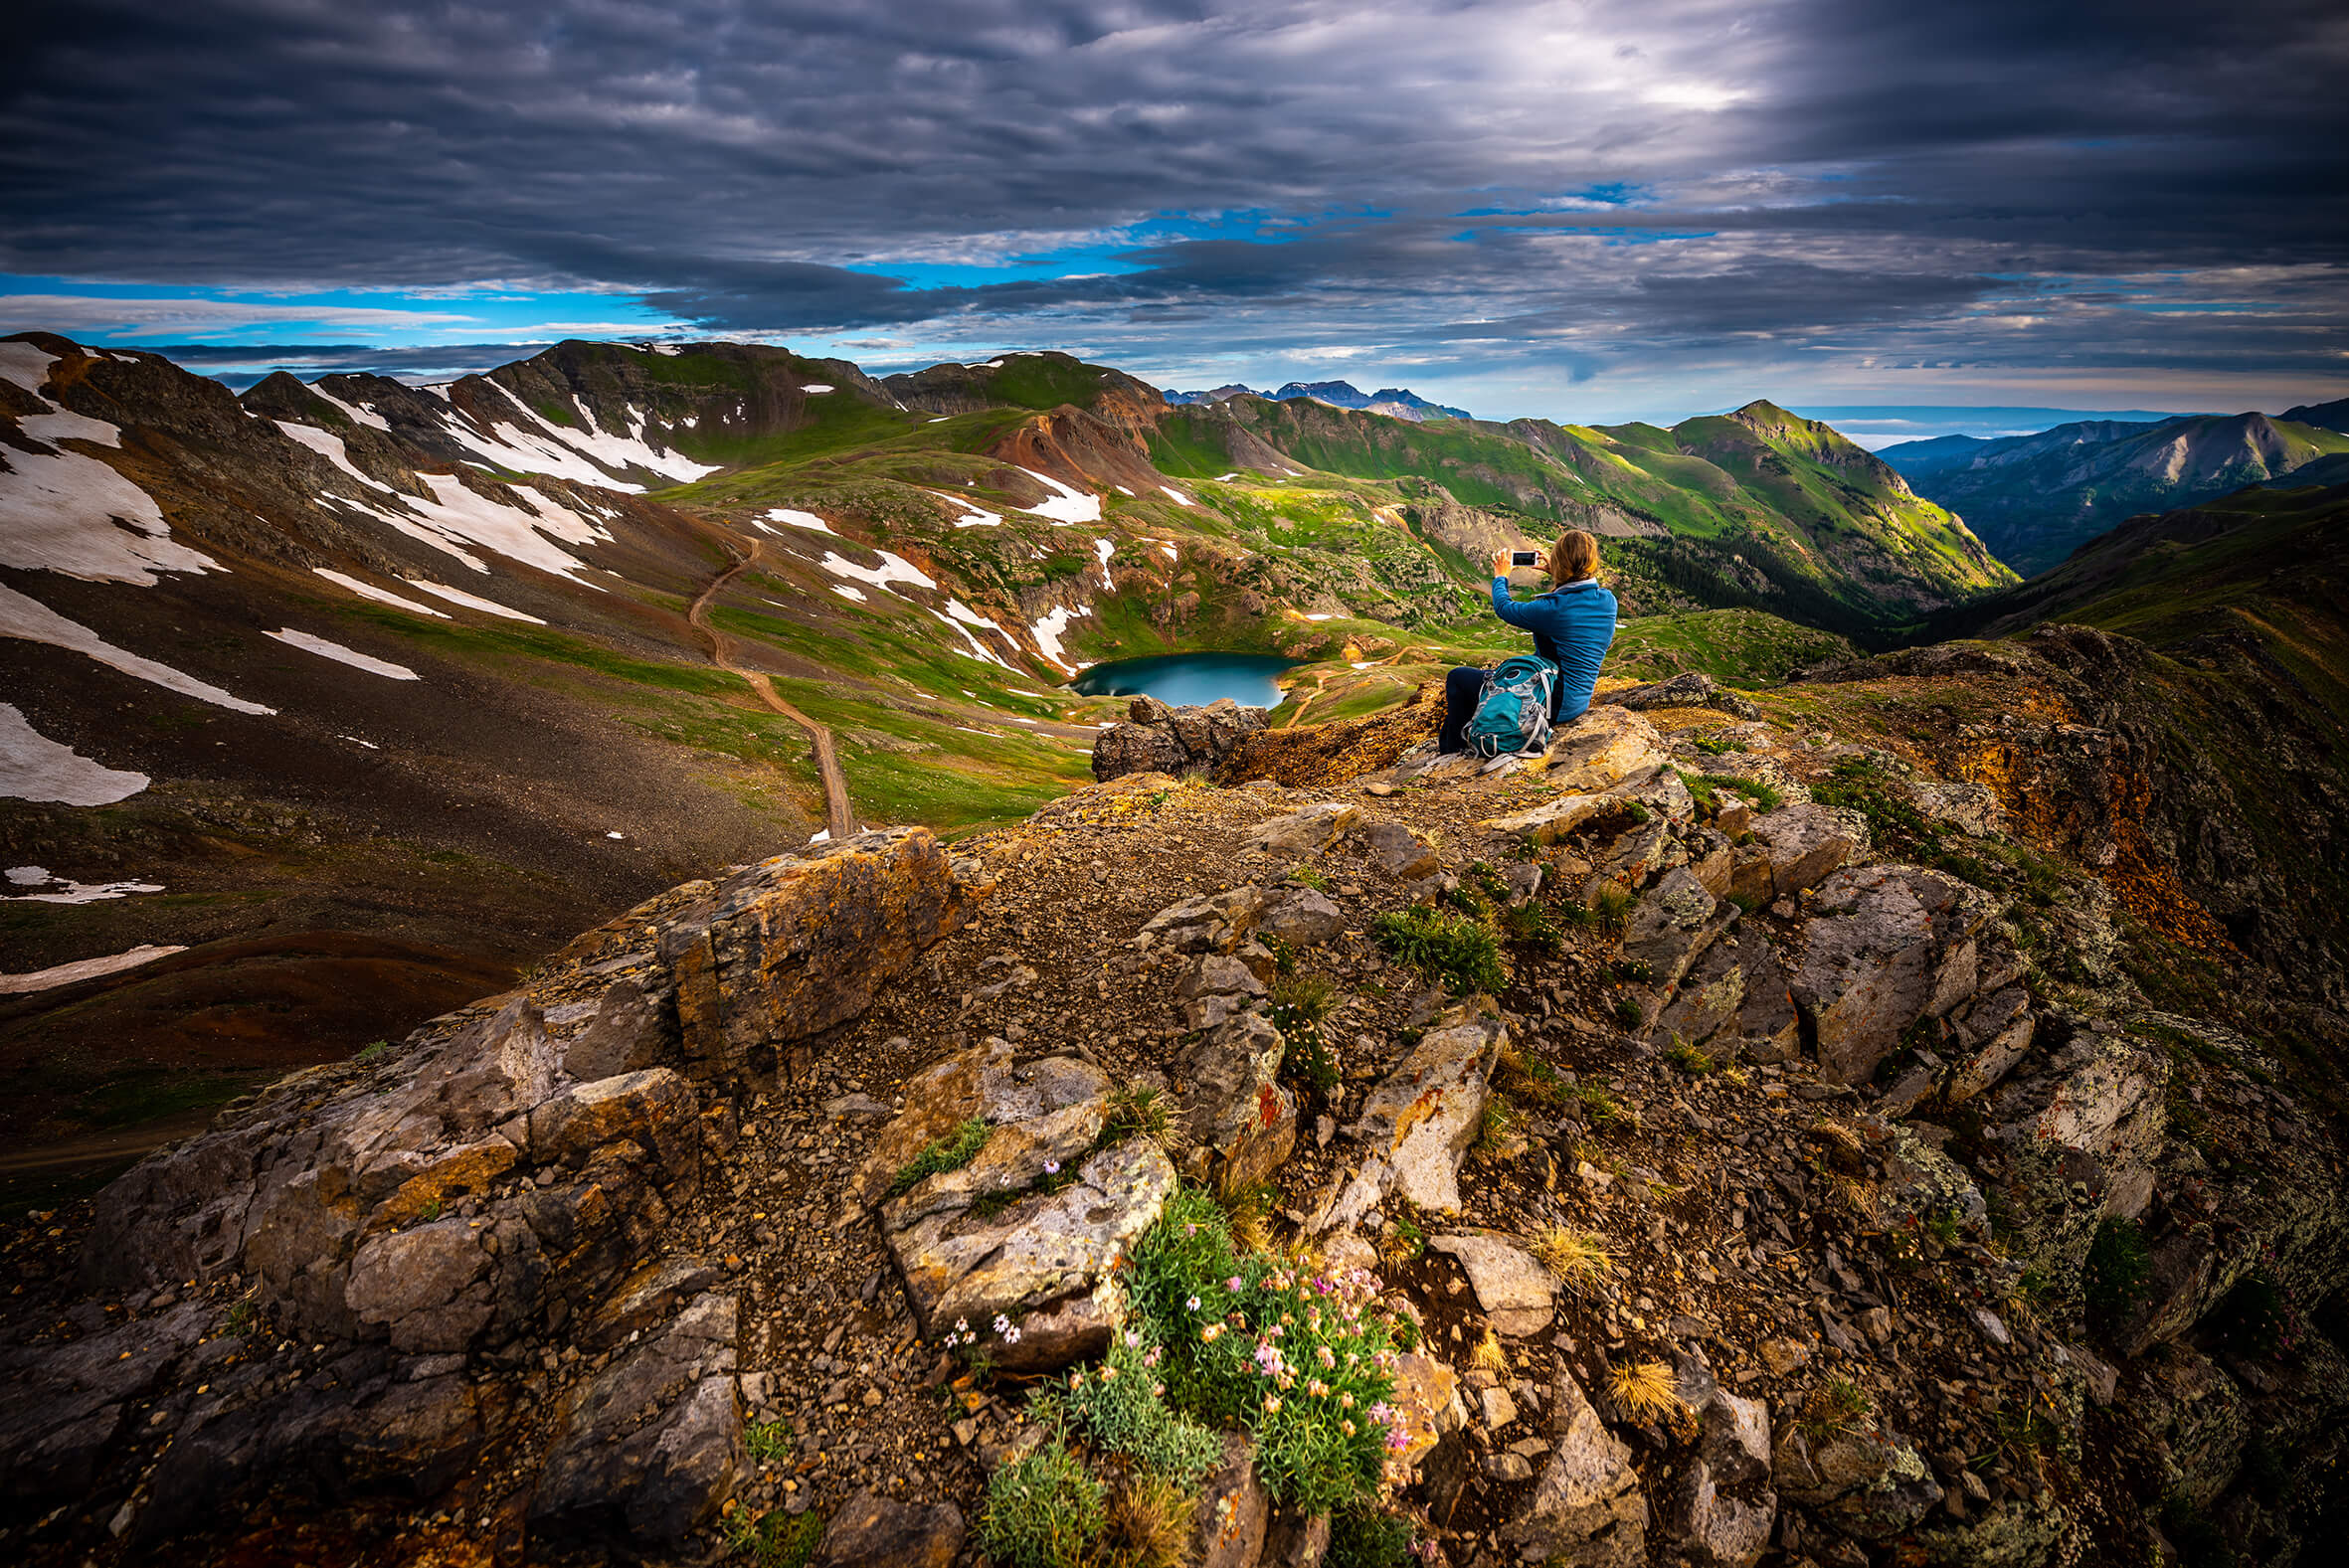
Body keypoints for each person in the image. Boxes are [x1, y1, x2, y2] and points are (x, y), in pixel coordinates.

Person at [1438, 528, 1617, 754]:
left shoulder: (1554, 610)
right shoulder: (1608, 601)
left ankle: (1453, 751)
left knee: (1458, 678)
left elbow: (1505, 608)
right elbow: (1578, 596)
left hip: (1553, 702)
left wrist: (1501, 576)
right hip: (1579, 700)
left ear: (1561, 562)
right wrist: (1559, 573)